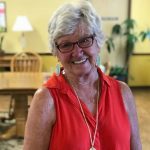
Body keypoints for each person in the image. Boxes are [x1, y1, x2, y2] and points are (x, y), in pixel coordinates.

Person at [23, 1, 142, 150]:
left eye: (85, 40)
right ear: (56, 53)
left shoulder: (123, 92)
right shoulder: (45, 100)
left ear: (98, 43)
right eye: (66, 45)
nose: (77, 52)